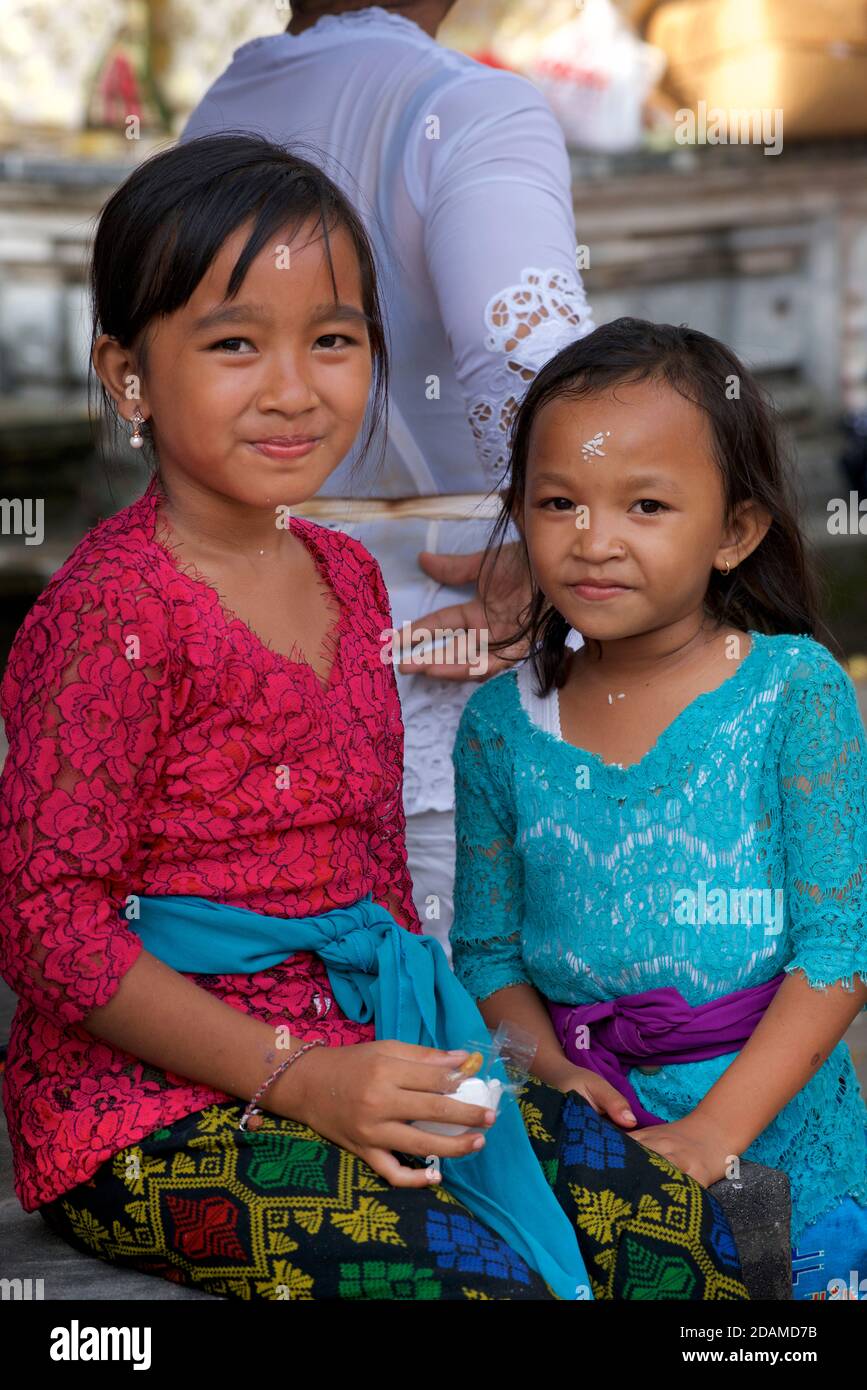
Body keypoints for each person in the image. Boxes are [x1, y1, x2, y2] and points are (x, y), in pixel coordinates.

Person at [0, 141, 748, 1301]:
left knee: (669, 1241)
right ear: (128, 373)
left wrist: (468, 1063)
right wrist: (298, 1079)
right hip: (150, 1111)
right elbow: (48, 925)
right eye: (235, 342)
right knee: (467, 1280)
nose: (295, 387)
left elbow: (368, 871)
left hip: (365, 1053)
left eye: (334, 338)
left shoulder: (348, 576)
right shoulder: (110, 616)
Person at [451, 316, 867, 1302]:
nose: (594, 540)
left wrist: (714, 1134)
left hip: (775, 1140)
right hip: (588, 1139)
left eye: (645, 504)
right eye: (558, 502)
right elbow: (489, 958)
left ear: (735, 530)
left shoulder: (792, 695)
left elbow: (839, 952)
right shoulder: (499, 729)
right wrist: (550, 1068)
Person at [181, 0, 595, 960]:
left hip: (241, 639)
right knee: (463, 1035)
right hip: (442, 658)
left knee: (305, 1009)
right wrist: (550, 567)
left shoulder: (222, 106)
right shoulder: (470, 106)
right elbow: (527, 362)